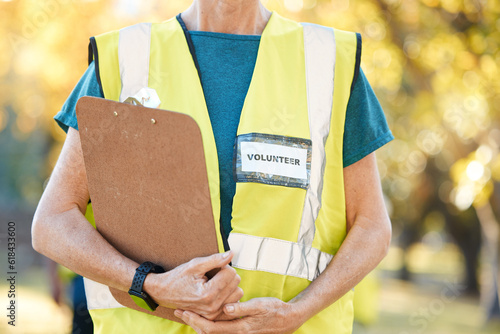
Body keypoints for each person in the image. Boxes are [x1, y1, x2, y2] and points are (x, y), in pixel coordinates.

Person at [32, 0, 393, 333]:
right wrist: (149, 284)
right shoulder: (123, 60)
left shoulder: (329, 63)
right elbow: (53, 221)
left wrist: (294, 313)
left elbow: (372, 226)